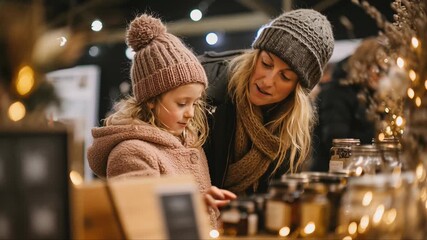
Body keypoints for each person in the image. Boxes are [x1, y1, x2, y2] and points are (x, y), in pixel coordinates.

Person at [87, 14, 236, 222]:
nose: (190, 113)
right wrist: (197, 206)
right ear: (151, 100)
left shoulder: (189, 142)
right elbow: (138, 218)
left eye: (195, 103)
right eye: (182, 103)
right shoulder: (131, 153)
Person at [199, 9, 335, 195]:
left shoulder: (292, 129)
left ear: (297, 90)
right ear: (256, 55)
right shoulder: (203, 85)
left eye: (285, 77)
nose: (267, 81)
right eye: (266, 63)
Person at [310, 37, 384, 172]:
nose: (381, 75)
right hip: (333, 174)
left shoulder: (373, 95)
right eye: (378, 68)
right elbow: (336, 140)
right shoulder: (337, 92)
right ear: (364, 65)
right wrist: (378, 140)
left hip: (359, 170)